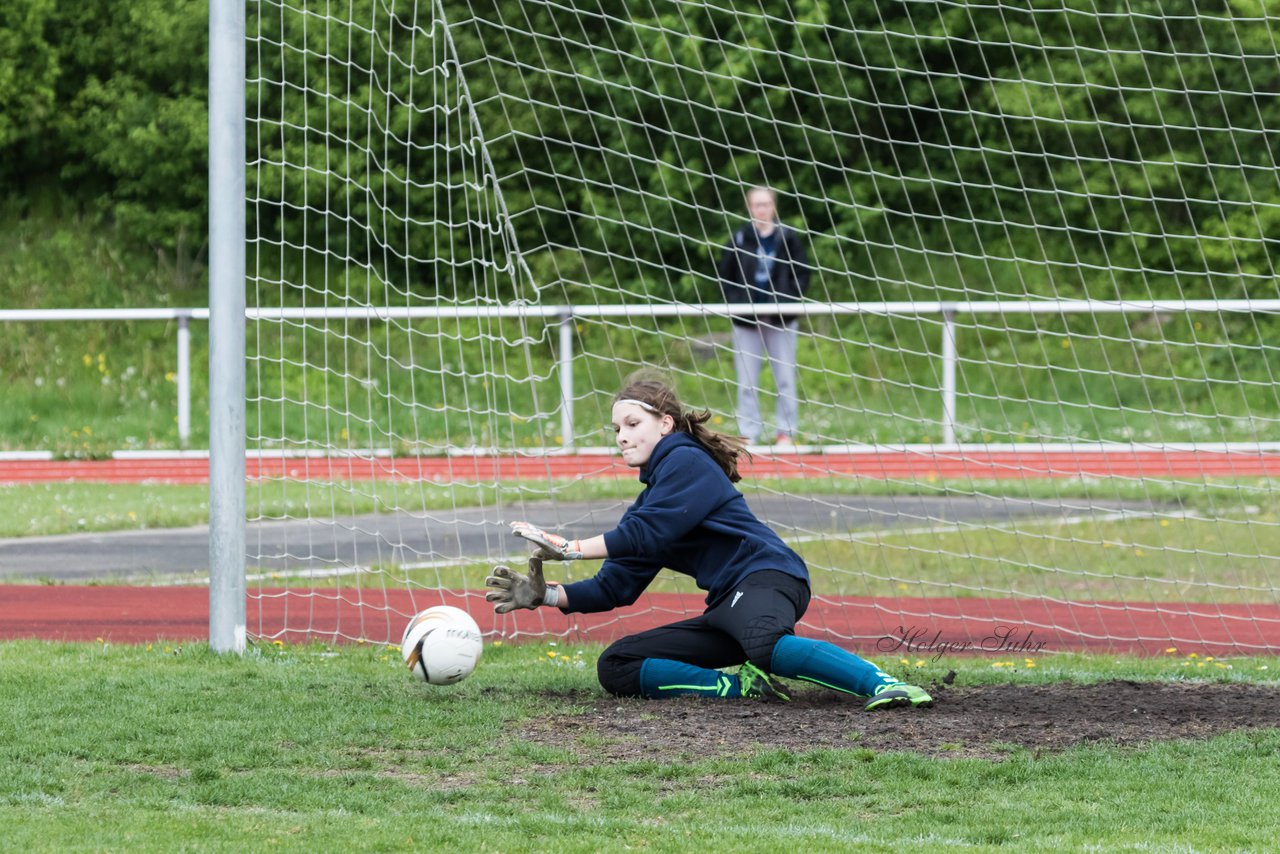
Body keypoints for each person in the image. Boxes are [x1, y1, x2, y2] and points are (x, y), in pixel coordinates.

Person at [485, 378, 932, 710]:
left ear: (666, 424)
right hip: (728, 606)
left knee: (763, 642)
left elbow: (644, 535)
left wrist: (569, 547)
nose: (621, 435)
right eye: (615, 427)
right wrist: (544, 595)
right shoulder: (652, 500)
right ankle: (740, 688)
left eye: (632, 423)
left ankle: (883, 683)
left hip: (768, 575)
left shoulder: (684, 460)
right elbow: (614, 588)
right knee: (618, 663)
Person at [717, 186, 810, 446]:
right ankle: (750, 433)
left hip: (780, 319)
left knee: (785, 378)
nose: (762, 209)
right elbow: (725, 278)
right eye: (757, 204)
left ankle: (785, 432)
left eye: (766, 204)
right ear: (749, 208)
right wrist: (739, 304)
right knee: (746, 382)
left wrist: (786, 299)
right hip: (746, 321)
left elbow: (802, 274)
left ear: (773, 207)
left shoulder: (788, 237)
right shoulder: (738, 239)